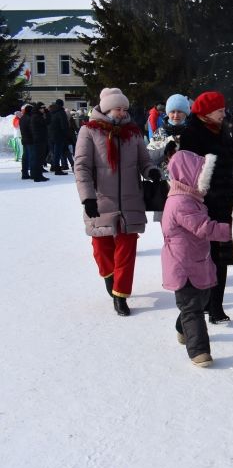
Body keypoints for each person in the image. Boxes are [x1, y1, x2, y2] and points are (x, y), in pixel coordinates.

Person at [74, 88, 160, 316]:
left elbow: (144, 160)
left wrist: (151, 171)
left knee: (127, 249)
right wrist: (88, 197)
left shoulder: (133, 132)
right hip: (101, 199)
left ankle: (121, 295)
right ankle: (109, 277)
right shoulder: (89, 131)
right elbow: (81, 166)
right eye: (117, 109)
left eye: (124, 109)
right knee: (102, 249)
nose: (122, 113)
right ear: (105, 109)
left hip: (131, 198)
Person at [161, 150, 232, 367]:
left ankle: (183, 328)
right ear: (189, 176)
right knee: (193, 308)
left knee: (198, 301)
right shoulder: (181, 202)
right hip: (182, 264)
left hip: (196, 261)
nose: (205, 182)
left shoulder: (191, 199)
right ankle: (199, 351)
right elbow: (203, 228)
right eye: (201, 176)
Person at [178, 91, 233, 325]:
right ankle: (203, 302)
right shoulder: (191, 134)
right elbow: (188, 170)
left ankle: (216, 306)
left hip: (225, 201)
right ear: (206, 113)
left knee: (220, 256)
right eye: (220, 110)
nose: (224, 114)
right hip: (201, 202)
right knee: (202, 256)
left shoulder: (224, 130)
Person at [48, 99, 72, 175]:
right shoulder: (61, 112)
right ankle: (57, 169)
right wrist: (67, 135)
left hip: (51, 135)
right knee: (59, 152)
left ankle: (54, 166)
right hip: (59, 135)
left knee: (54, 152)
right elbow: (64, 125)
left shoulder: (51, 112)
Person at [28, 102, 50, 182]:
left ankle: (37, 175)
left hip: (40, 139)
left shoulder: (36, 116)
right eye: (42, 108)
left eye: (44, 108)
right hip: (39, 139)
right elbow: (47, 122)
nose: (43, 110)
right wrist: (47, 113)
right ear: (38, 109)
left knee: (39, 158)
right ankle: (38, 176)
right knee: (39, 158)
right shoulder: (36, 116)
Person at [18, 104, 37, 181]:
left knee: (25, 157)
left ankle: (24, 173)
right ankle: (33, 173)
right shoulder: (30, 118)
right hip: (30, 140)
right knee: (32, 157)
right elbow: (32, 130)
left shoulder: (22, 118)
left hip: (24, 139)